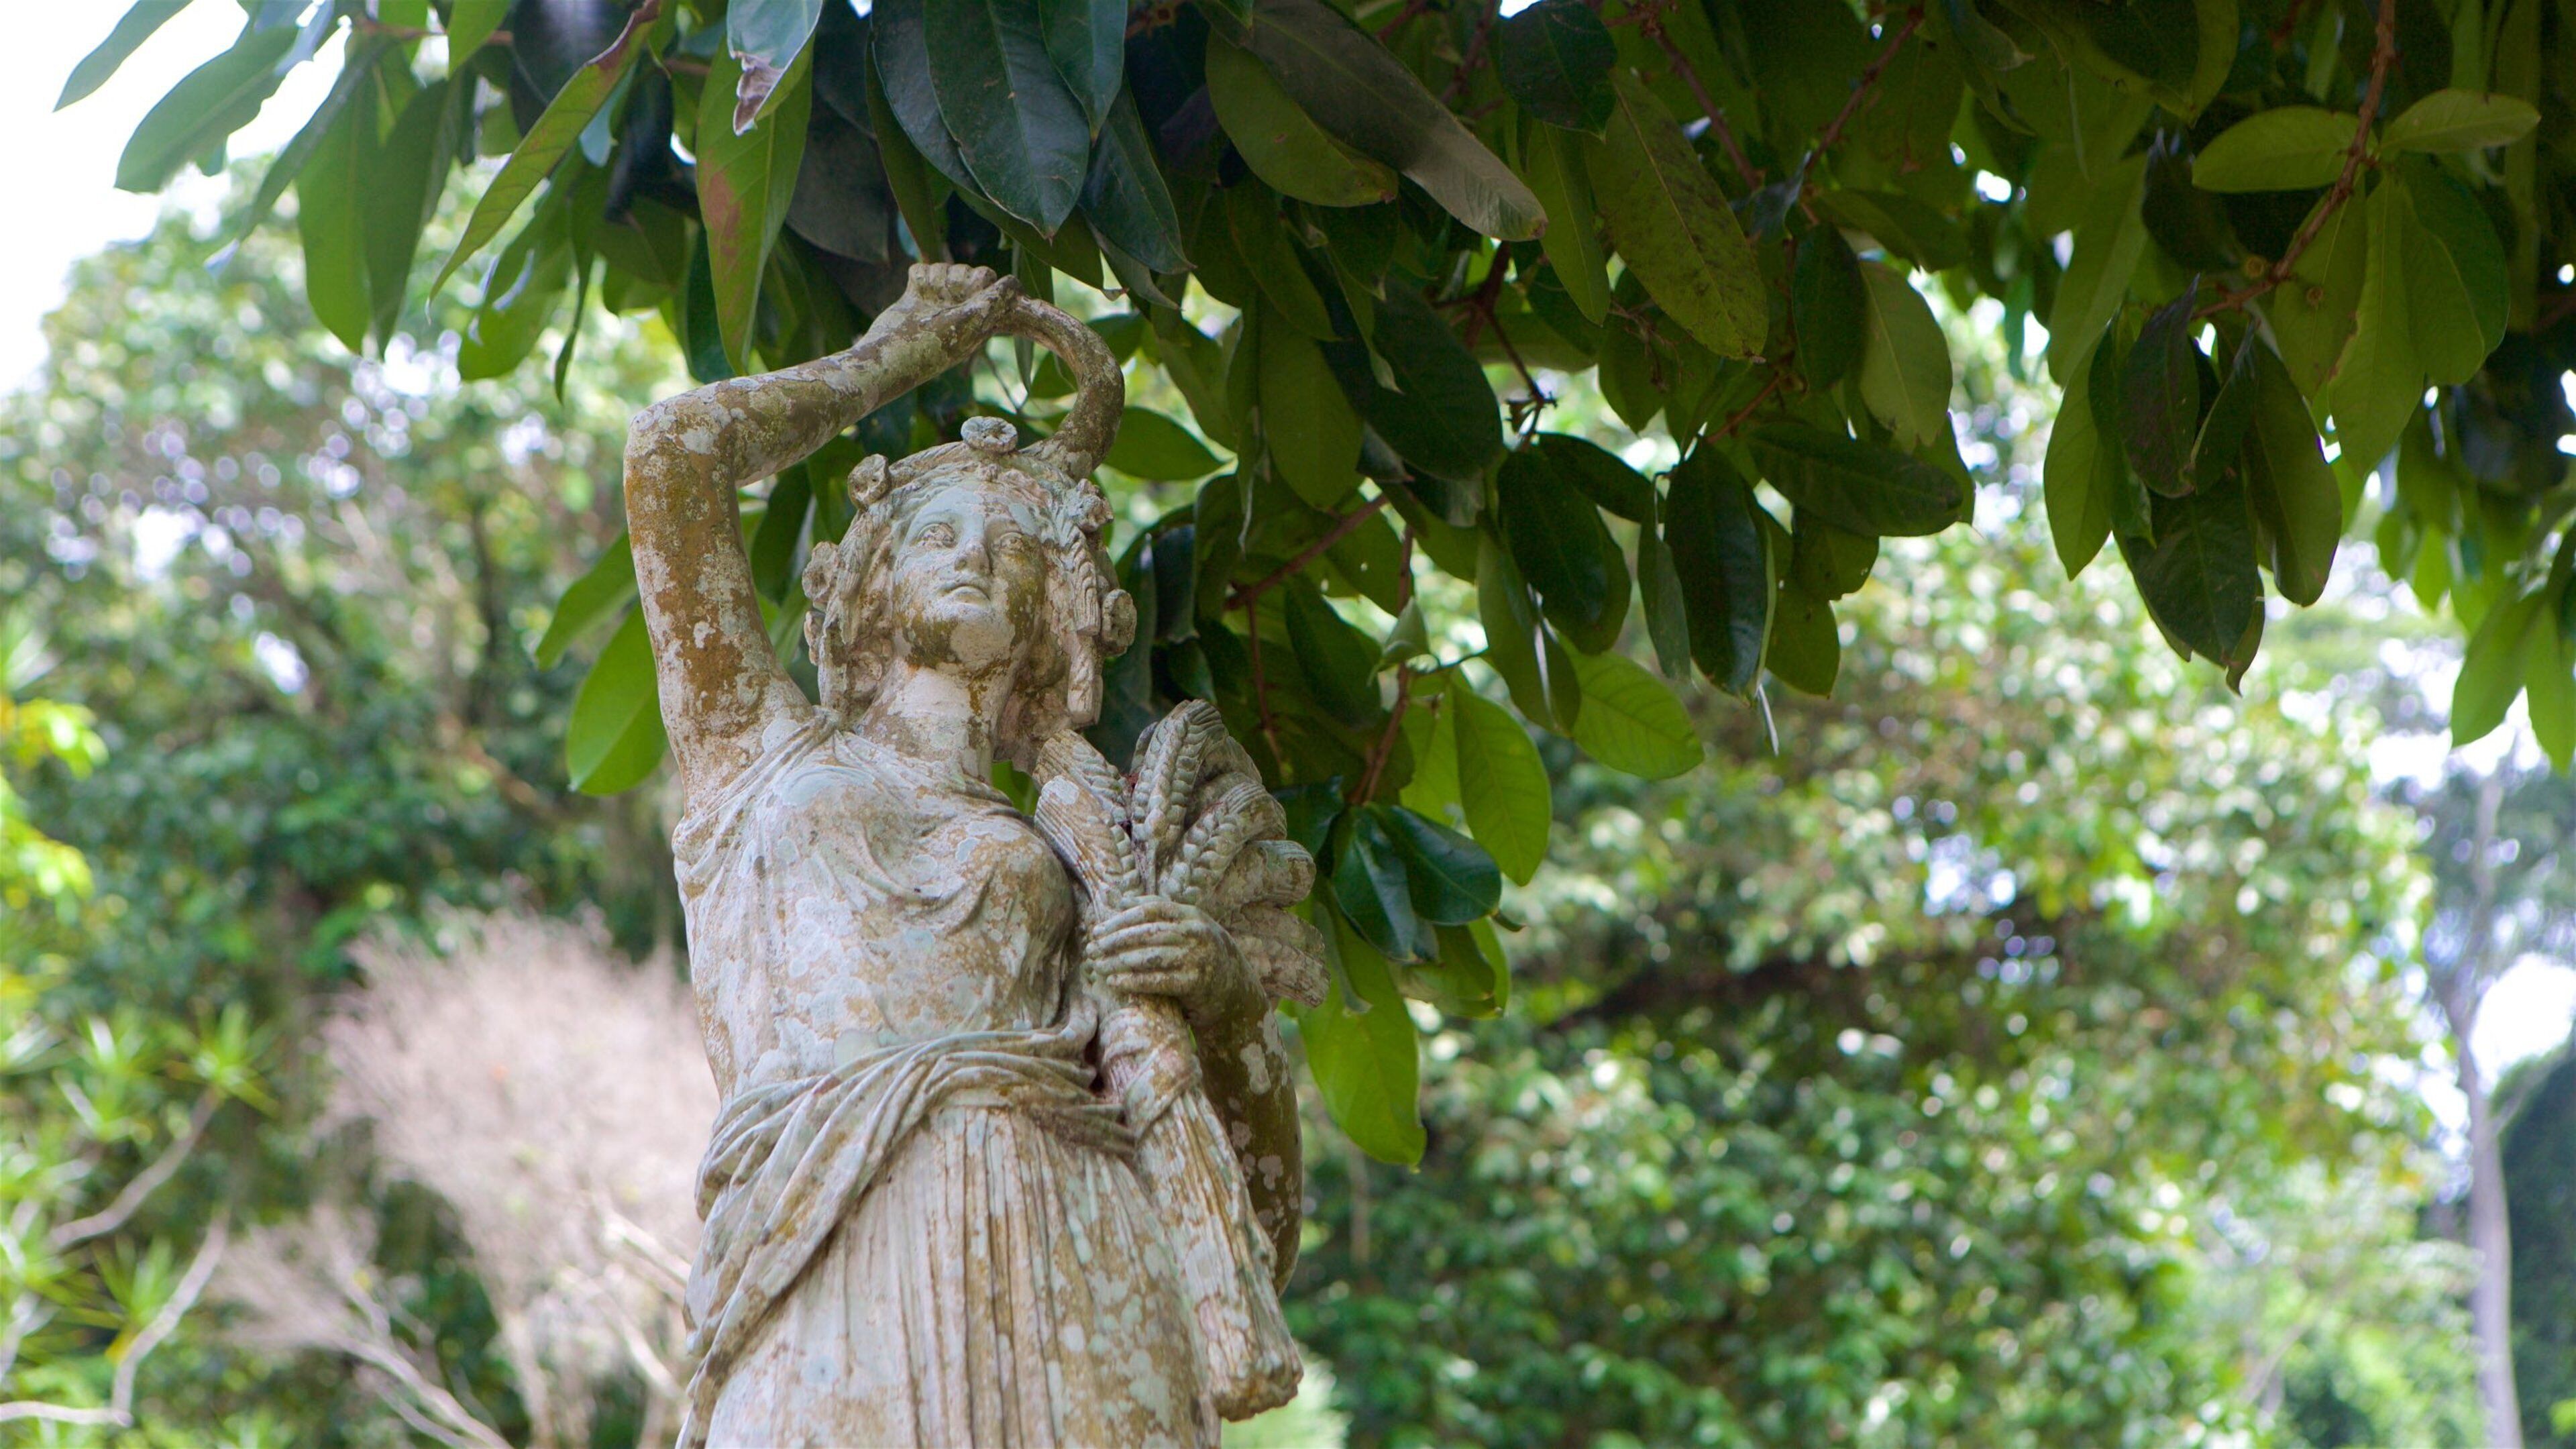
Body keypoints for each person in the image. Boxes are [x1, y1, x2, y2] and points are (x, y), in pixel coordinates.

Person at [621, 264, 1309, 1448]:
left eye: (1012, 546)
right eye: (937, 533)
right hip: (823, 1233)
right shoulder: (757, 756)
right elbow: (671, 456)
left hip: (1074, 1247)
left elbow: (1262, 1212)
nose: (976, 558)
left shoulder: (1092, 852)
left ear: (1062, 612)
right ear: (870, 579)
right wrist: (888, 359)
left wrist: (1221, 989)